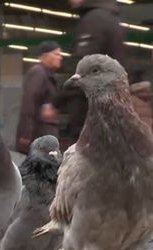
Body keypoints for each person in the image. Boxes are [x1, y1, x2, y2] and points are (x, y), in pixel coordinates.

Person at [52, 0, 127, 150]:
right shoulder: (108, 17)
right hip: (109, 119)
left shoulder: (94, 20)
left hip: (93, 119)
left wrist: (56, 103)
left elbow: (82, 71)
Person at [15, 41, 62, 154]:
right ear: (45, 56)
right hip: (40, 134)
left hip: (44, 134)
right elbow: (29, 102)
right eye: (56, 54)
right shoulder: (38, 73)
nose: (60, 57)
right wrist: (26, 133)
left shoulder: (46, 74)